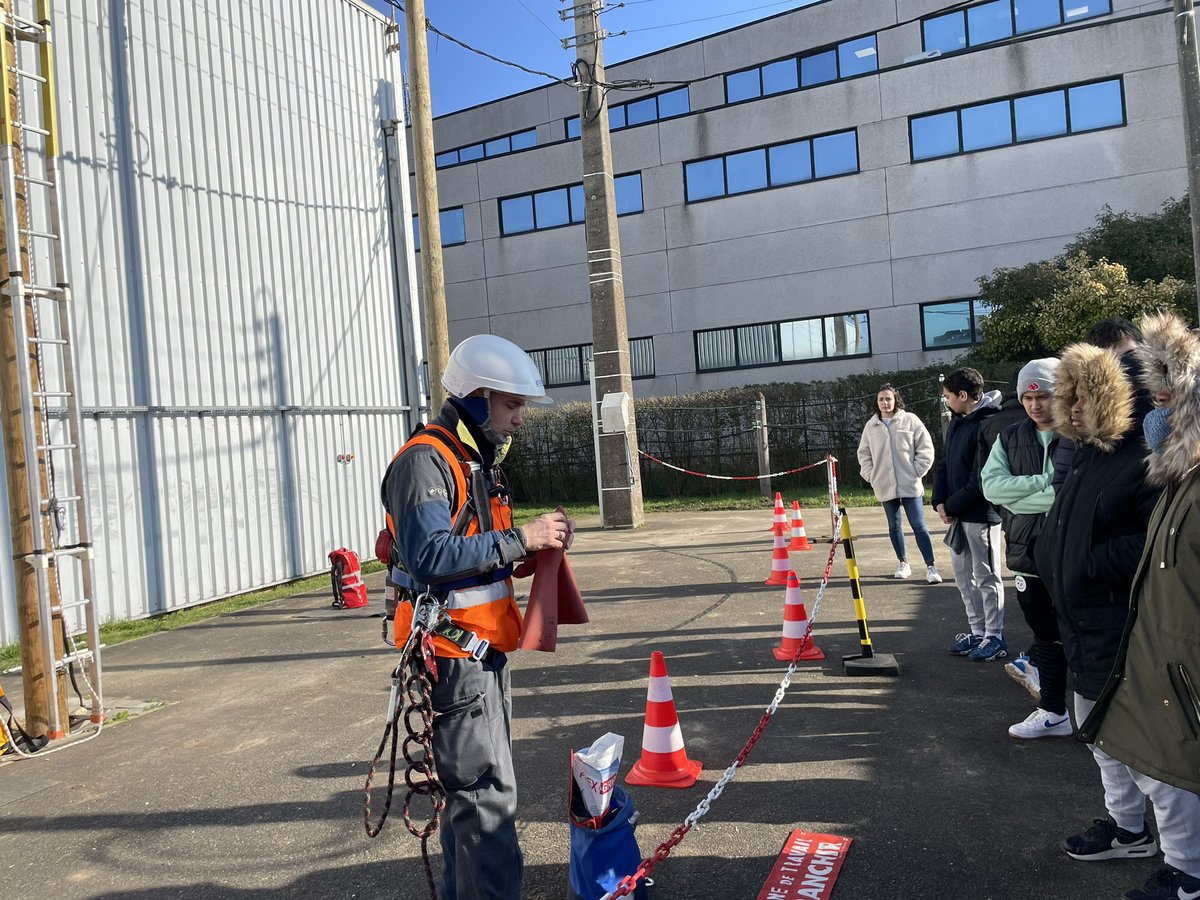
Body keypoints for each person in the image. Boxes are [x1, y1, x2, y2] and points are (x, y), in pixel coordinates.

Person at [382, 333, 575, 900]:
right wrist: (520, 538)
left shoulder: (470, 462)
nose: (520, 420)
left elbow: (474, 553)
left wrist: (528, 551)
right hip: (454, 662)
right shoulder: (426, 462)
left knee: (476, 805)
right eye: (512, 405)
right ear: (476, 397)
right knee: (483, 807)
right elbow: (430, 556)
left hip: (479, 659)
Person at [1032, 342, 1165, 876]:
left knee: (1145, 754)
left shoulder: (1144, 460)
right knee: (1099, 739)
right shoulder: (1087, 453)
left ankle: (1187, 866)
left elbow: (1156, 541)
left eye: (1084, 397)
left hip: (1121, 624)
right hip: (1084, 623)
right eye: (1070, 398)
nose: (1075, 409)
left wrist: (1088, 561)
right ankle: (1128, 829)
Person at [1081, 311, 1200, 900]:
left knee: (1172, 772)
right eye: (1153, 393)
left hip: (1183, 665)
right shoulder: (1177, 476)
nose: (1158, 405)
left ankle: (1191, 876)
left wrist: (1089, 560)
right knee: (1156, 765)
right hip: (1160, 650)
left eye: (1170, 393)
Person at [981, 358, 1072, 739]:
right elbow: (992, 488)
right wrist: (1042, 486)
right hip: (1027, 554)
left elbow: (1069, 495)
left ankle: (1098, 716)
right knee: (1045, 635)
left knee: (1082, 636)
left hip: (1071, 553)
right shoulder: (1010, 435)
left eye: (1044, 395)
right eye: (1028, 396)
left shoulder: (1077, 434)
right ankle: (1053, 711)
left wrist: (1021, 495)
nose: (1035, 404)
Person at [933, 367, 1006, 661]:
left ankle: (994, 636)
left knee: (987, 576)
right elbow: (945, 462)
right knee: (964, 577)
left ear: (964, 396)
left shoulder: (988, 425)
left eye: (948, 396)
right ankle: (977, 632)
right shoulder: (957, 422)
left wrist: (952, 506)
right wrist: (939, 500)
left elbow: (981, 478)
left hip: (981, 515)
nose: (947, 401)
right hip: (957, 515)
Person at [856, 383, 942, 583]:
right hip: (884, 485)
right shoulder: (871, 426)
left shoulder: (910, 420)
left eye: (888, 398)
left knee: (919, 525)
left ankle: (931, 566)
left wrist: (916, 471)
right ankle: (903, 562)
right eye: (881, 399)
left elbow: (926, 448)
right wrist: (871, 475)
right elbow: (864, 454)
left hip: (910, 484)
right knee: (894, 525)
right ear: (876, 402)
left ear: (896, 400)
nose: (885, 403)